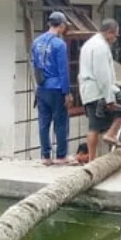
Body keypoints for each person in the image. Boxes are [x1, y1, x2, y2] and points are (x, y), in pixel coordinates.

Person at [78, 19, 121, 161]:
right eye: (115, 35)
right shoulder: (100, 47)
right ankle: (110, 134)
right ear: (109, 32)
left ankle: (92, 159)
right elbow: (103, 75)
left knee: (93, 126)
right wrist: (110, 98)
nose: (115, 39)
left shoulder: (90, 44)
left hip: (89, 90)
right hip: (100, 90)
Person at [32, 12, 73, 165]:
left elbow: (34, 65)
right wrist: (67, 92)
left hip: (42, 87)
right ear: (61, 26)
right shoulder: (59, 44)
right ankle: (61, 155)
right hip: (56, 87)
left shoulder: (36, 42)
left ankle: (45, 156)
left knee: (43, 122)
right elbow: (63, 70)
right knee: (61, 122)